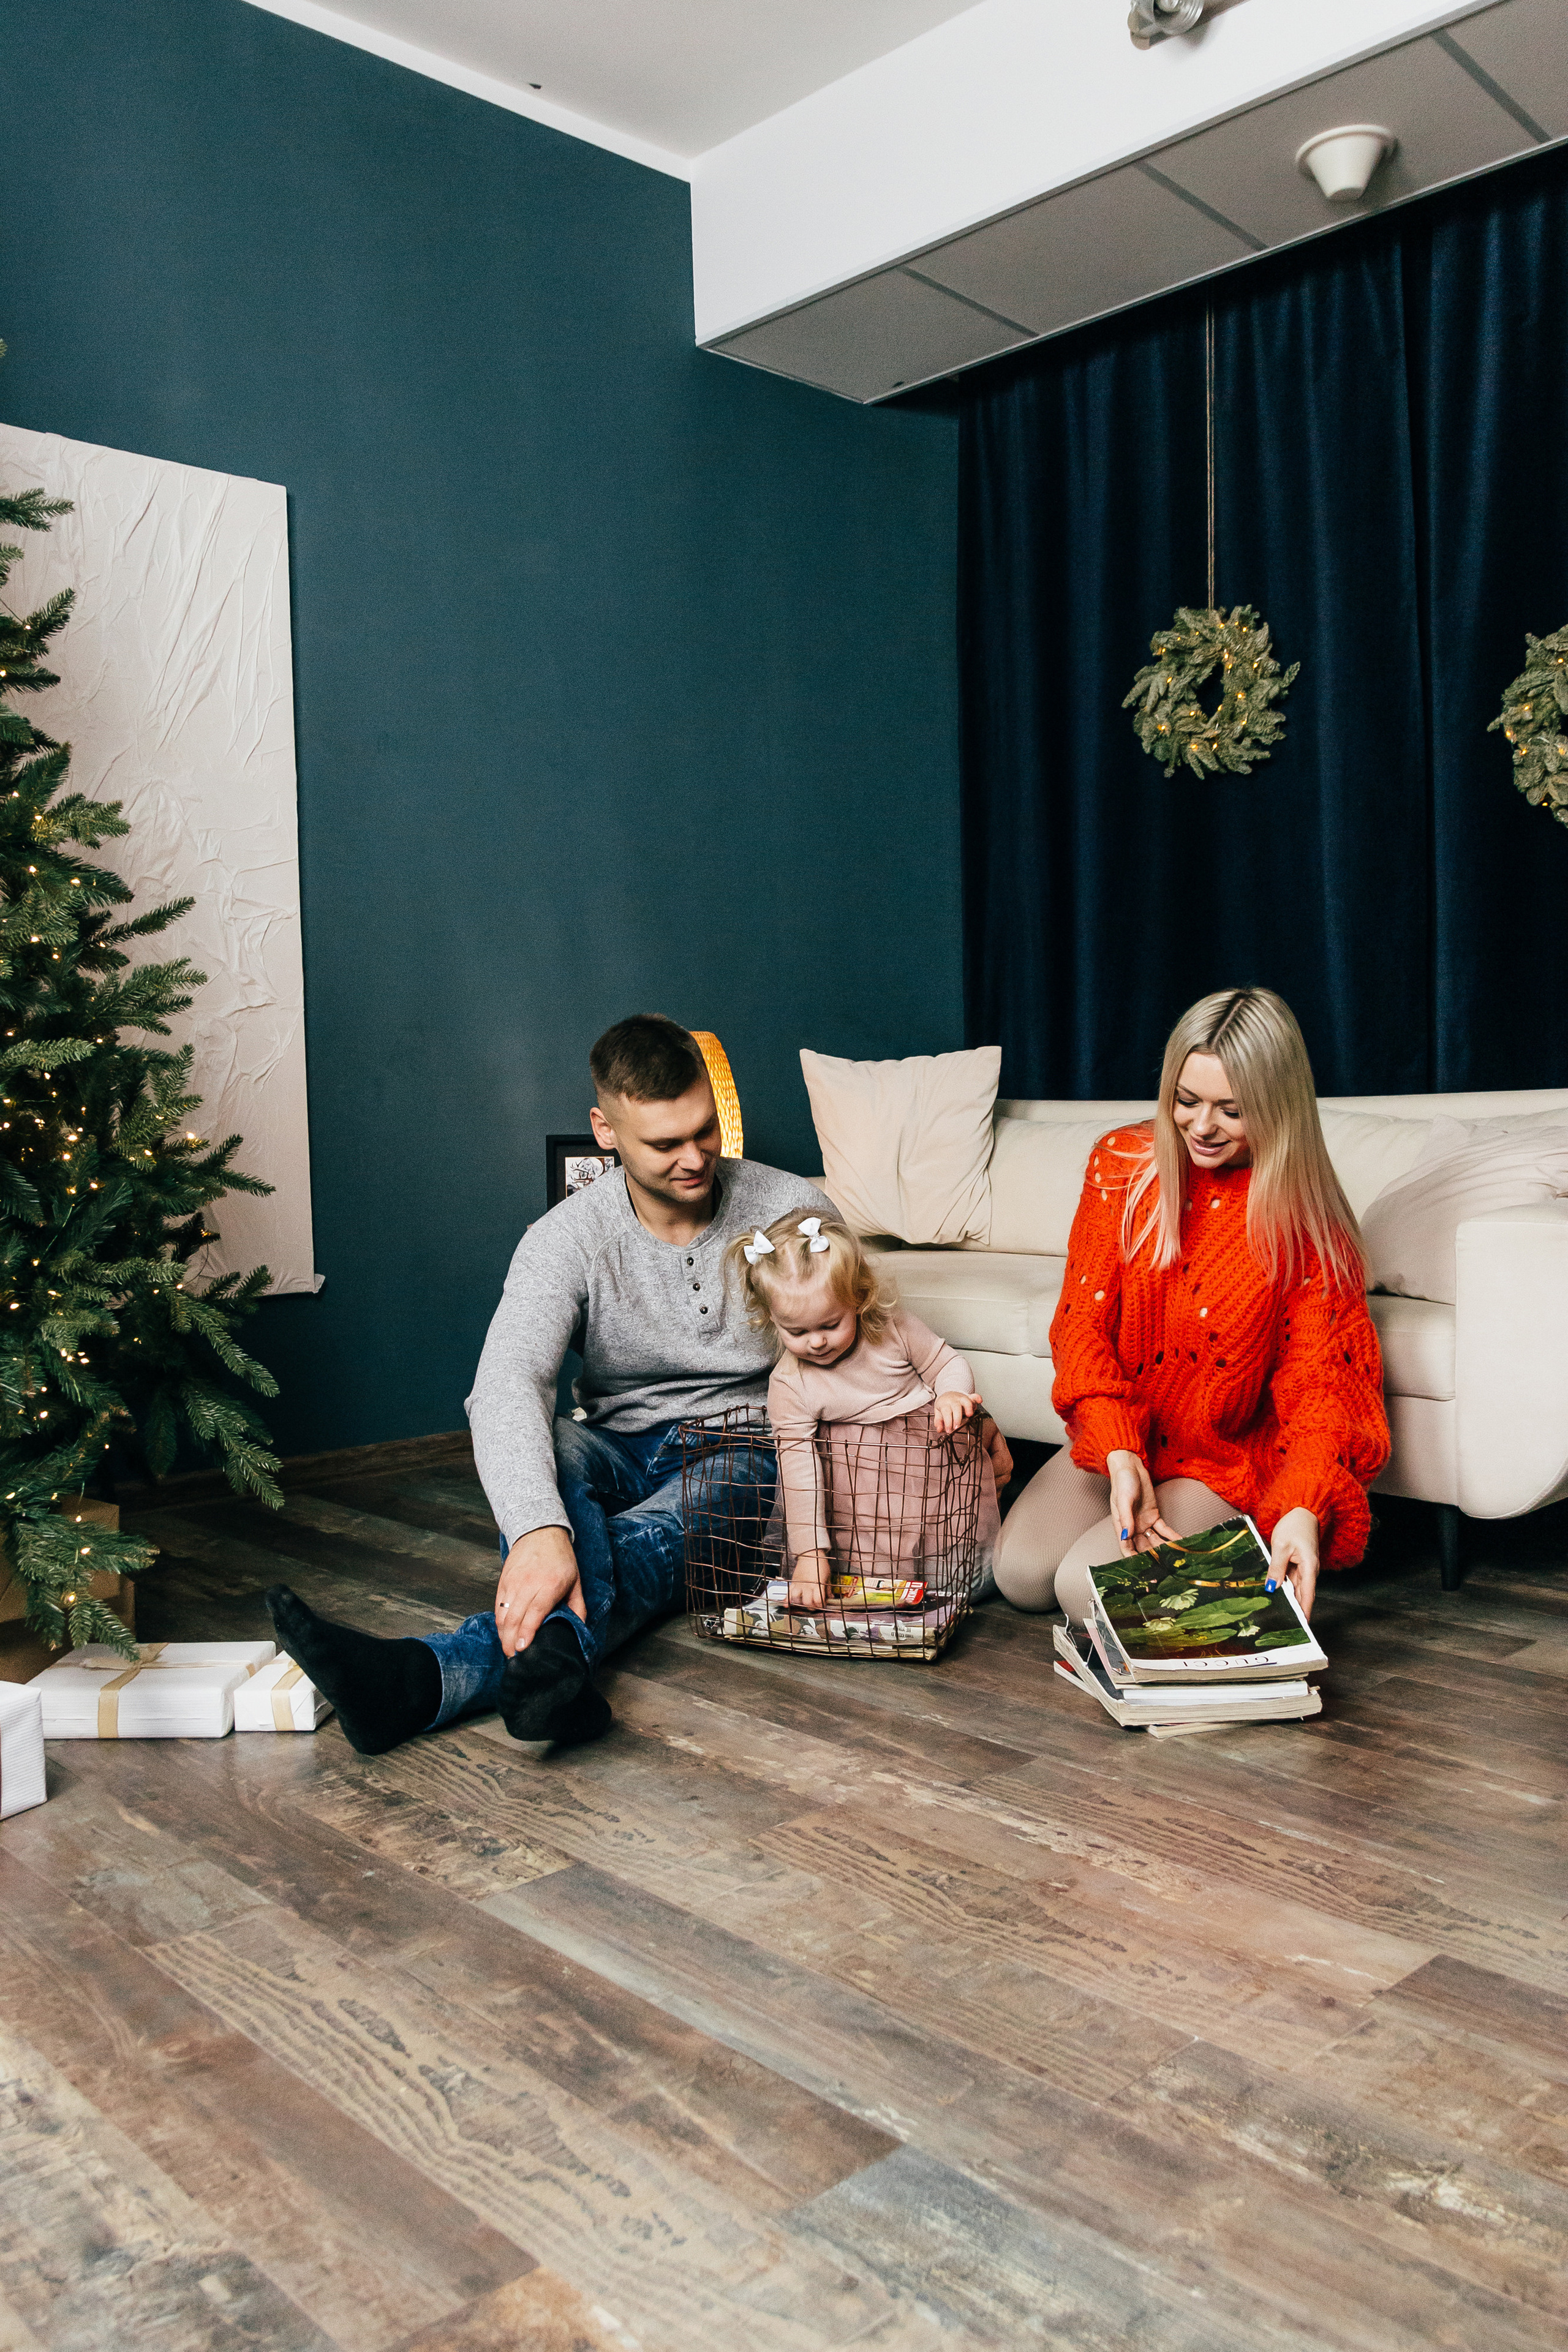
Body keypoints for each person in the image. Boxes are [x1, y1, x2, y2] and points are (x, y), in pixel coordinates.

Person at [269, 1012, 1014, 1754]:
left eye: (704, 1131)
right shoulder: (564, 1239)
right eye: (664, 1144)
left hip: (744, 1449)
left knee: (647, 1539)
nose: (694, 1158)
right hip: (615, 1442)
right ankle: (537, 1668)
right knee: (547, 1456)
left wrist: (962, 1415)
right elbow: (506, 1382)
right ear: (606, 1131)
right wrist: (537, 1530)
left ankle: (425, 1679)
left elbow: (872, 1340)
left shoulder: (793, 1211)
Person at [992, 986, 1389, 1627]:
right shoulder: (1121, 1166)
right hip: (1132, 1440)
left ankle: (1248, 1554)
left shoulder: (1308, 1227)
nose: (1202, 1127)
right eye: (1186, 1100)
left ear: (1277, 1107)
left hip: (1224, 1463)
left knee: (1080, 1592)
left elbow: (1324, 1389)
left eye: (1231, 1110)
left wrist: (1303, 1508)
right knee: (1019, 1575)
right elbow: (1080, 1328)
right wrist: (1117, 1449)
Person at [729, 1210, 993, 1605]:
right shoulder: (789, 1384)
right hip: (854, 1489)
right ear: (771, 1317)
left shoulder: (891, 1327)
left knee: (956, 1567)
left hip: (926, 1466)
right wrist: (810, 1555)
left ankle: (952, 1579)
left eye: (830, 1325)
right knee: (869, 1567)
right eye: (796, 1331)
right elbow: (798, 1471)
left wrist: (951, 1394)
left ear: (858, 1297)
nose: (816, 1342)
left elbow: (946, 1363)